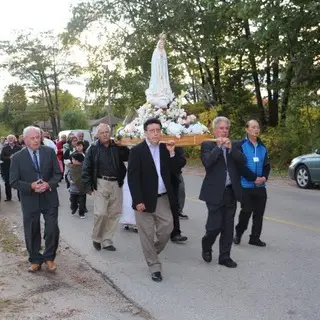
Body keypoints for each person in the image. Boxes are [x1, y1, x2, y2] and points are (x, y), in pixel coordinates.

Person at [128, 118, 181, 282]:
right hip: (143, 200)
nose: (156, 133)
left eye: (158, 130)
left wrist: (173, 153)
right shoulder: (137, 151)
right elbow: (133, 178)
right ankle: (154, 266)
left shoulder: (166, 149)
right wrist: (137, 200)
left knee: (167, 227)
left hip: (163, 198)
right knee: (147, 234)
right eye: (152, 130)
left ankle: (151, 251)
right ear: (146, 133)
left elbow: (177, 168)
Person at [10, 126, 61, 272]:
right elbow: (13, 181)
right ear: (25, 140)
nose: (36, 140)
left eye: (38, 137)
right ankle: (35, 260)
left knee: (52, 229)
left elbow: (57, 174)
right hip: (30, 199)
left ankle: (49, 258)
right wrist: (31, 186)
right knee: (32, 229)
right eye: (32, 138)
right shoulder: (18, 158)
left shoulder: (49, 152)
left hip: (49, 197)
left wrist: (48, 184)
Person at [199, 116, 245, 268]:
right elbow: (208, 163)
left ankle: (225, 257)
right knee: (214, 226)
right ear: (215, 130)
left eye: (226, 128)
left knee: (228, 227)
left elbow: (242, 160)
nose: (224, 131)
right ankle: (206, 244)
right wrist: (219, 148)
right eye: (221, 128)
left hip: (230, 192)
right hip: (213, 193)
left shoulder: (235, 145)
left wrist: (230, 148)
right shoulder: (207, 144)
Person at [82, 123, 129, 251]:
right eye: (102, 133)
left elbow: (127, 156)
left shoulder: (116, 146)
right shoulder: (92, 148)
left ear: (110, 132)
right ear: (98, 135)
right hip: (101, 182)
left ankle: (107, 240)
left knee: (114, 213)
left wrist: (123, 146)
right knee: (101, 213)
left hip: (116, 183)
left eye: (107, 132)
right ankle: (96, 238)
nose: (105, 135)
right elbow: (86, 168)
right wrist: (88, 186)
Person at [234, 120, 270, 247]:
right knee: (246, 211)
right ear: (247, 129)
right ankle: (238, 232)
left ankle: (254, 238)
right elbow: (240, 166)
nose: (256, 129)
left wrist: (264, 177)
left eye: (258, 127)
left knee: (259, 213)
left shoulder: (263, 147)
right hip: (246, 185)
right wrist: (253, 178)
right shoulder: (241, 145)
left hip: (260, 186)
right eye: (253, 127)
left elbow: (267, 165)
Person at [145, 33, 174, 109]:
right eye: (160, 44)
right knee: (157, 83)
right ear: (158, 44)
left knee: (163, 83)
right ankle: (157, 93)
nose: (162, 45)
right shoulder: (156, 51)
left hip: (163, 72)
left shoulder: (164, 51)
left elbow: (165, 62)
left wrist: (162, 58)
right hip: (157, 72)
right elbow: (154, 62)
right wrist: (159, 57)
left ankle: (163, 94)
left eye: (163, 44)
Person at [170, 147, 188, 242]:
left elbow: (182, 161)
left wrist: (172, 153)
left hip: (174, 176)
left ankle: (175, 233)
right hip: (157, 177)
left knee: (174, 205)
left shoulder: (177, 146)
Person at [0, 134, 22, 201]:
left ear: (14, 139)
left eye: (12, 138)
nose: (10, 140)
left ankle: (20, 197)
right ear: (7, 140)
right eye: (9, 139)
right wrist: (9, 158)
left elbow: (22, 157)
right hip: (7, 168)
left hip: (17, 168)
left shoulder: (19, 147)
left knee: (19, 182)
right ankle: (8, 197)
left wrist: (15, 158)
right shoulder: (5, 148)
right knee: (7, 183)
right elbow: (1, 157)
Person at [67, 152, 86, 219]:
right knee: (73, 202)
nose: (72, 160)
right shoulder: (71, 167)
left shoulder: (84, 168)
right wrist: (70, 180)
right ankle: (74, 208)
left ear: (77, 160)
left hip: (81, 188)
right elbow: (68, 175)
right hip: (73, 189)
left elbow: (86, 176)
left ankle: (82, 213)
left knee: (82, 203)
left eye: (73, 159)